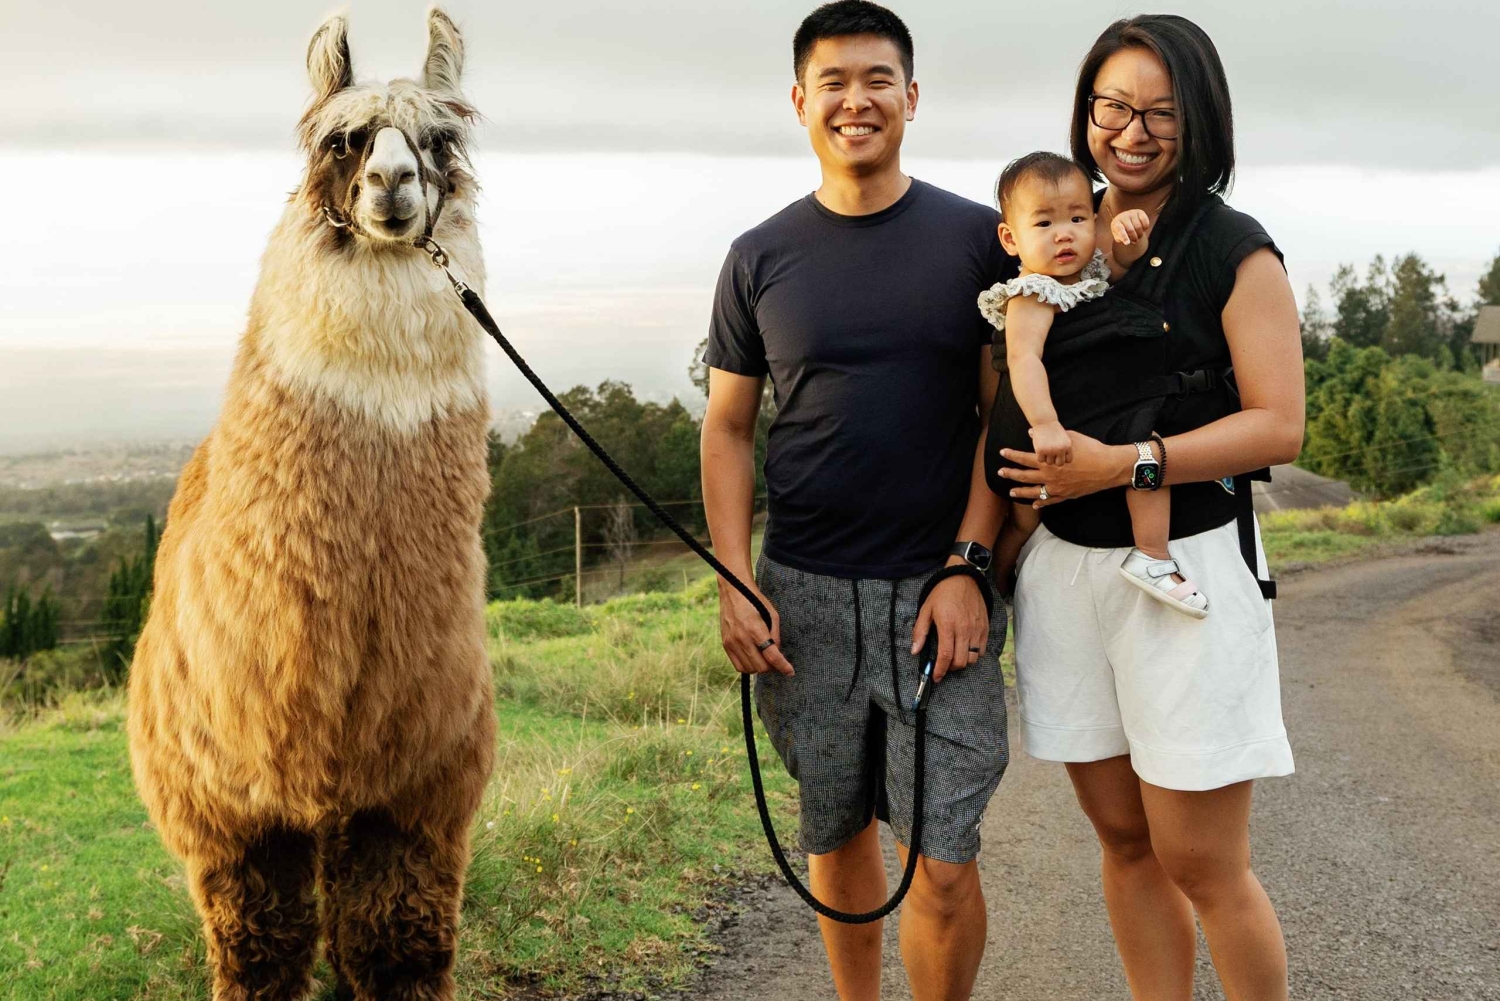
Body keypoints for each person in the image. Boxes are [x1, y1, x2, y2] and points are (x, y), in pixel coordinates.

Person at [699, 3, 1013, 998]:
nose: (855, 99)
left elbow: (1003, 420)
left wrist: (969, 566)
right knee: (832, 834)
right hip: (805, 595)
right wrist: (734, 579)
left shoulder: (979, 242)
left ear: (912, 98)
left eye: (878, 78)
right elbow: (729, 428)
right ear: (800, 103)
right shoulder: (758, 257)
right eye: (832, 81)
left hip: (942, 595)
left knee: (945, 857)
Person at [996, 15, 1302, 1000]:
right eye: (1113, 105)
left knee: (1203, 860)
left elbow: (1277, 425)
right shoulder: (1058, 225)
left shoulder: (1231, 247)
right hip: (1066, 574)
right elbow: (1001, 381)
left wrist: (1125, 465)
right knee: (1126, 841)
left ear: (1198, 118)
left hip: (1186, 570)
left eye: (1159, 111)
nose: (1131, 130)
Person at [980, 152, 1209, 618]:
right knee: (1022, 522)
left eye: (1078, 218)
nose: (1065, 233)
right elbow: (1023, 360)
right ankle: (996, 583)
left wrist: (1131, 240)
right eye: (1043, 224)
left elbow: (1121, 268)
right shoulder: (1032, 293)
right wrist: (1044, 425)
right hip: (1037, 432)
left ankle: (1151, 555)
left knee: (1142, 458)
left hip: (1086, 415)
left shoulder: (1083, 275)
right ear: (1011, 238)